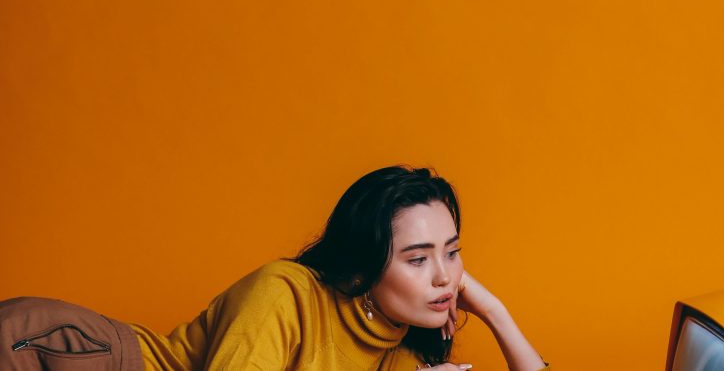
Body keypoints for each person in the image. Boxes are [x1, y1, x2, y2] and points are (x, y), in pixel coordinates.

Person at [0, 166, 548, 370]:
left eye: (452, 252)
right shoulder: (283, 293)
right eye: (417, 257)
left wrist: (496, 312)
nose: (444, 277)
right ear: (363, 266)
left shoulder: (399, 348)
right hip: (68, 354)